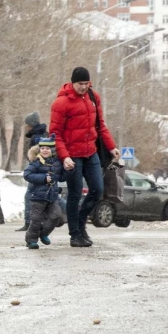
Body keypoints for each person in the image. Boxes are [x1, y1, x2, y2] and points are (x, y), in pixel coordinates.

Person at [49, 67, 120, 247]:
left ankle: (81, 223)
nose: (83, 87)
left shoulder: (93, 97)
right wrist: (64, 157)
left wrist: (112, 147)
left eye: (86, 83)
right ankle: (75, 234)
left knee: (97, 189)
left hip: (91, 152)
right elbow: (55, 133)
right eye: (80, 84)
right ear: (72, 83)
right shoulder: (61, 103)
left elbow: (101, 125)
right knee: (75, 193)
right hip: (72, 156)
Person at [23, 135, 70, 249]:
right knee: (36, 219)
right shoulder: (36, 162)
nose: (45, 150)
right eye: (42, 148)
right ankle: (31, 240)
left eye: (47, 148)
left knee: (56, 215)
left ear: (52, 150)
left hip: (52, 196)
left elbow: (62, 177)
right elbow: (27, 175)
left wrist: (69, 170)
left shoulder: (57, 163)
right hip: (37, 196)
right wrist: (43, 178)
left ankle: (43, 234)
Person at [17, 111, 48, 232]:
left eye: (27, 124)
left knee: (30, 196)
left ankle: (29, 223)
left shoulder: (36, 137)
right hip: (44, 170)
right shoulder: (44, 134)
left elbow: (38, 155)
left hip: (37, 171)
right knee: (45, 196)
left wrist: (33, 168)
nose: (26, 127)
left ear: (31, 124)